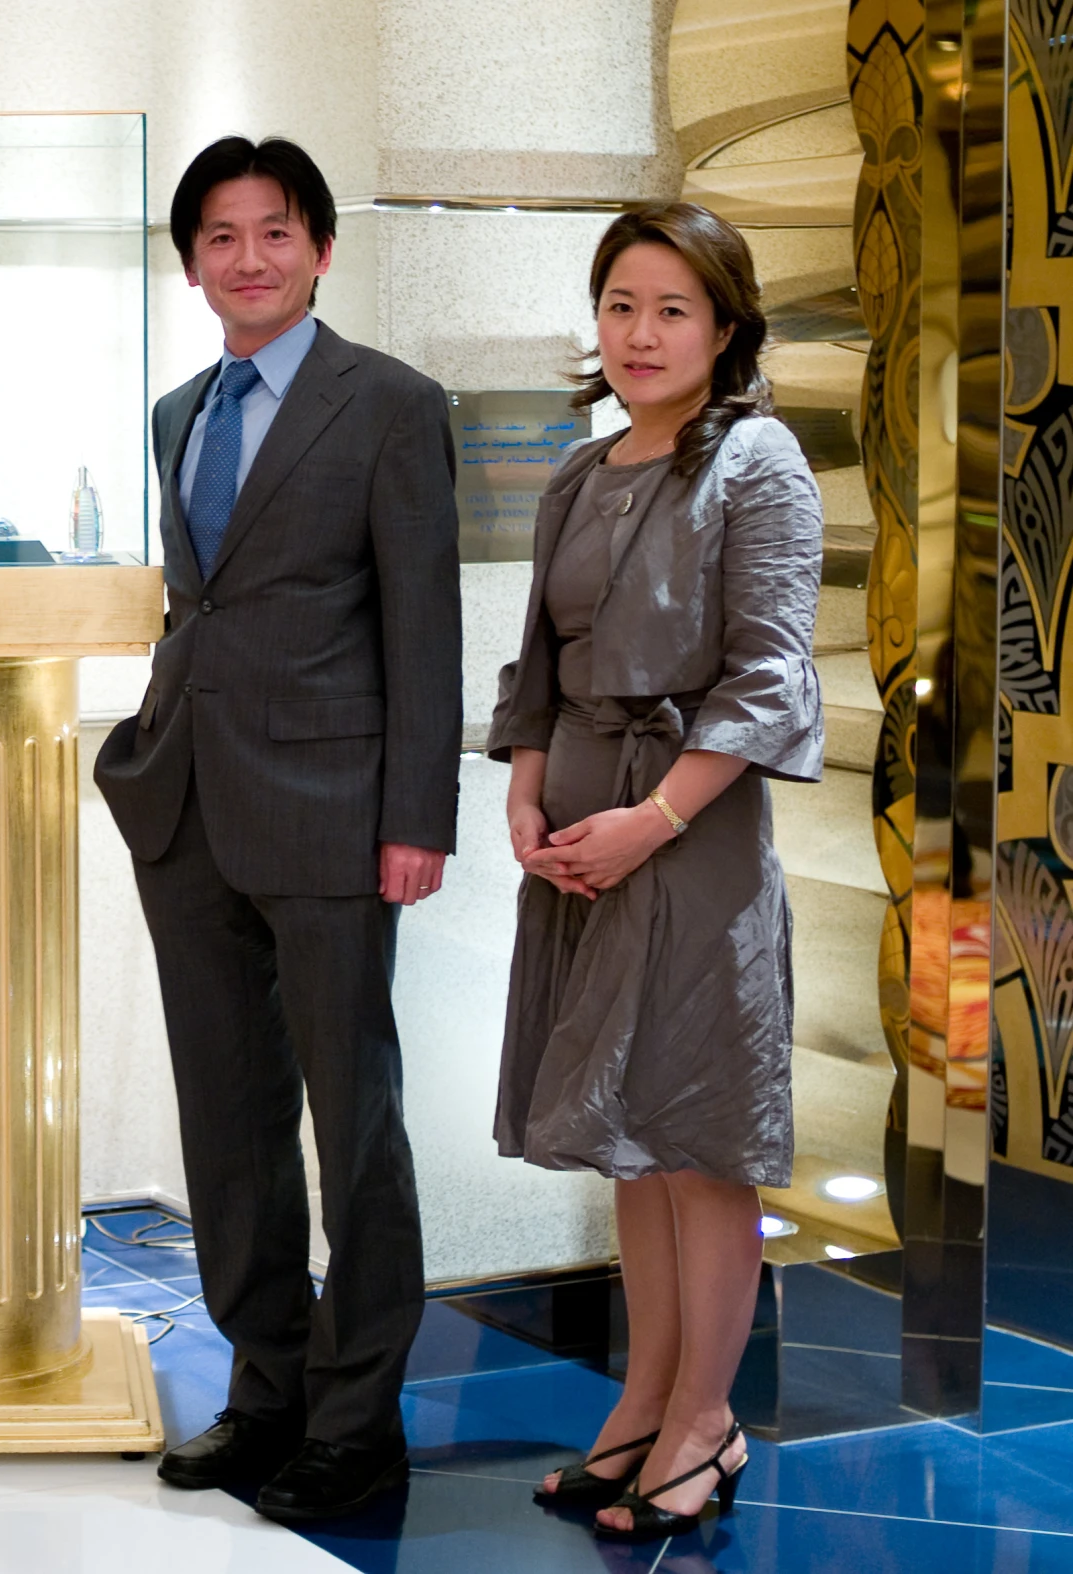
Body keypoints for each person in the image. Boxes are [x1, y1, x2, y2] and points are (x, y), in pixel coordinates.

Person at [92, 136, 460, 1525]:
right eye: (220, 237)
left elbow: (424, 620)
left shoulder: (390, 403)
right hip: (189, 807)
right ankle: (268, 1387)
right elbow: (213, 603)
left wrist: (416, 814)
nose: (247, 257)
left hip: (336, 815)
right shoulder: (179, 408)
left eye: (274, 232)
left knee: (353, 1119)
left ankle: (361, 1421)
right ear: (189, 261)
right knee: (227, 1115)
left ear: (316, 249)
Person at [488, 202, 821, 1543]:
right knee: (628, 1141)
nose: (640, 332)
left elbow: (770, 677)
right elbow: (538, 664)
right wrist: (524, 789)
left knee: (699, 1133)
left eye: (672, 308)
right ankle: (641, 1401)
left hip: (692, 847)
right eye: (621, 304)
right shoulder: (582, 471)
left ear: (726, 326)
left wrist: (650, 820)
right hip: (580, 847)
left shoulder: (759, 460)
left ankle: (706, 1419)